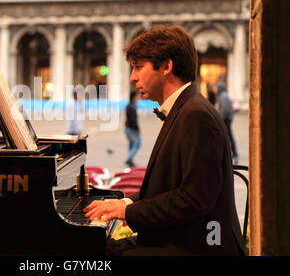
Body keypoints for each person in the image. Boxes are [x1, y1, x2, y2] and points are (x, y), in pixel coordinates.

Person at [84, 25, 245, 256]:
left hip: (200, 247)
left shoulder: (196, 115)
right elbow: (170, 188)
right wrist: (127, 203)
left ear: (167, 66)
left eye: (139, 67)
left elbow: (194, 199)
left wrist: (127, 213)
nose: (132, 77)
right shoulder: (186, 109)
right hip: (183, 238)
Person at [216, 81, 238, 164]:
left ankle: (233, 154)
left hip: (226, 120)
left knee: (227, 137)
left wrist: (219, 117)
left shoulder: (223, 96)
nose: (216, 89)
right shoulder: (224, 95)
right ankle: (233, 154)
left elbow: (224, 109)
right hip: (227, 119)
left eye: (217, 88)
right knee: (228, 137)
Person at [125, 91, 141, 167]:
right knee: (137, 144)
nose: (138, 97)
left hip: (127, 128)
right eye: (137, 96)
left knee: (131, 144)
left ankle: (130, 160)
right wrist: (137, 128)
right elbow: (133, 120)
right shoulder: (132, 107)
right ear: (134, 97)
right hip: (132, 129)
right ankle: (129, 159)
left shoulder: (129, 105)